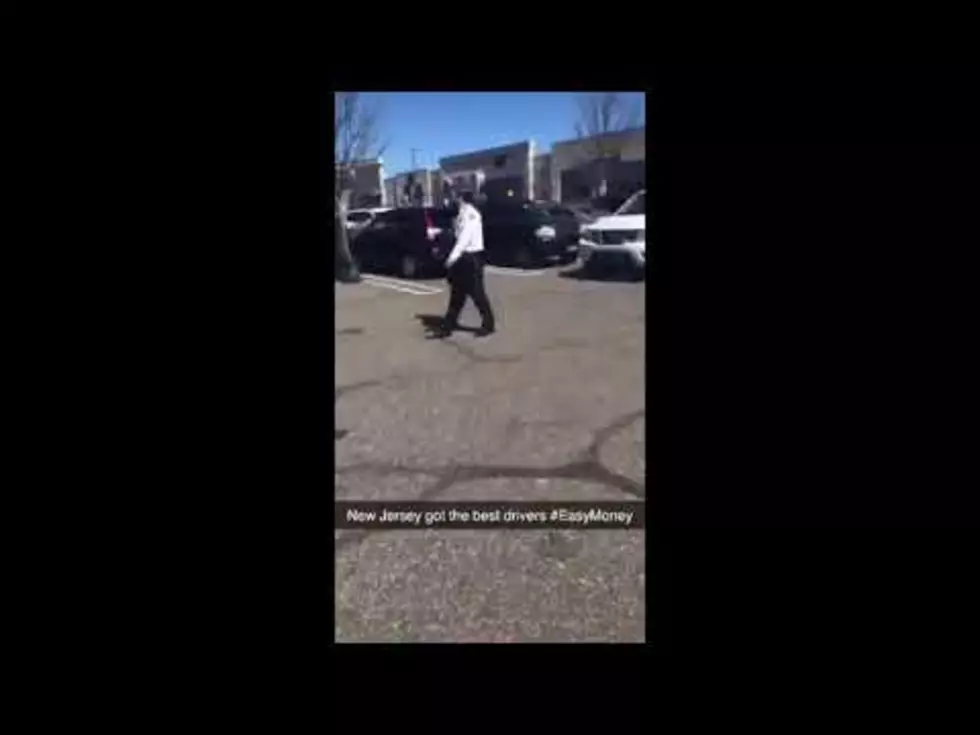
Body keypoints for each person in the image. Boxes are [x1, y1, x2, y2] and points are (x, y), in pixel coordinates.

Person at [432, 191, 496, 338]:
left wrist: (451, 258)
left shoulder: (471, 214)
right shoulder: (462, 213)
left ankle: (489, 324)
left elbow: (464, 239)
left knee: (477, 294)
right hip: (463, 258)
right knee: (457, 294)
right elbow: (457, 235)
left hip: (471, 258)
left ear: (462, 199)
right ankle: (448, 326)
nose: (455, 199)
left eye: (457, 197)